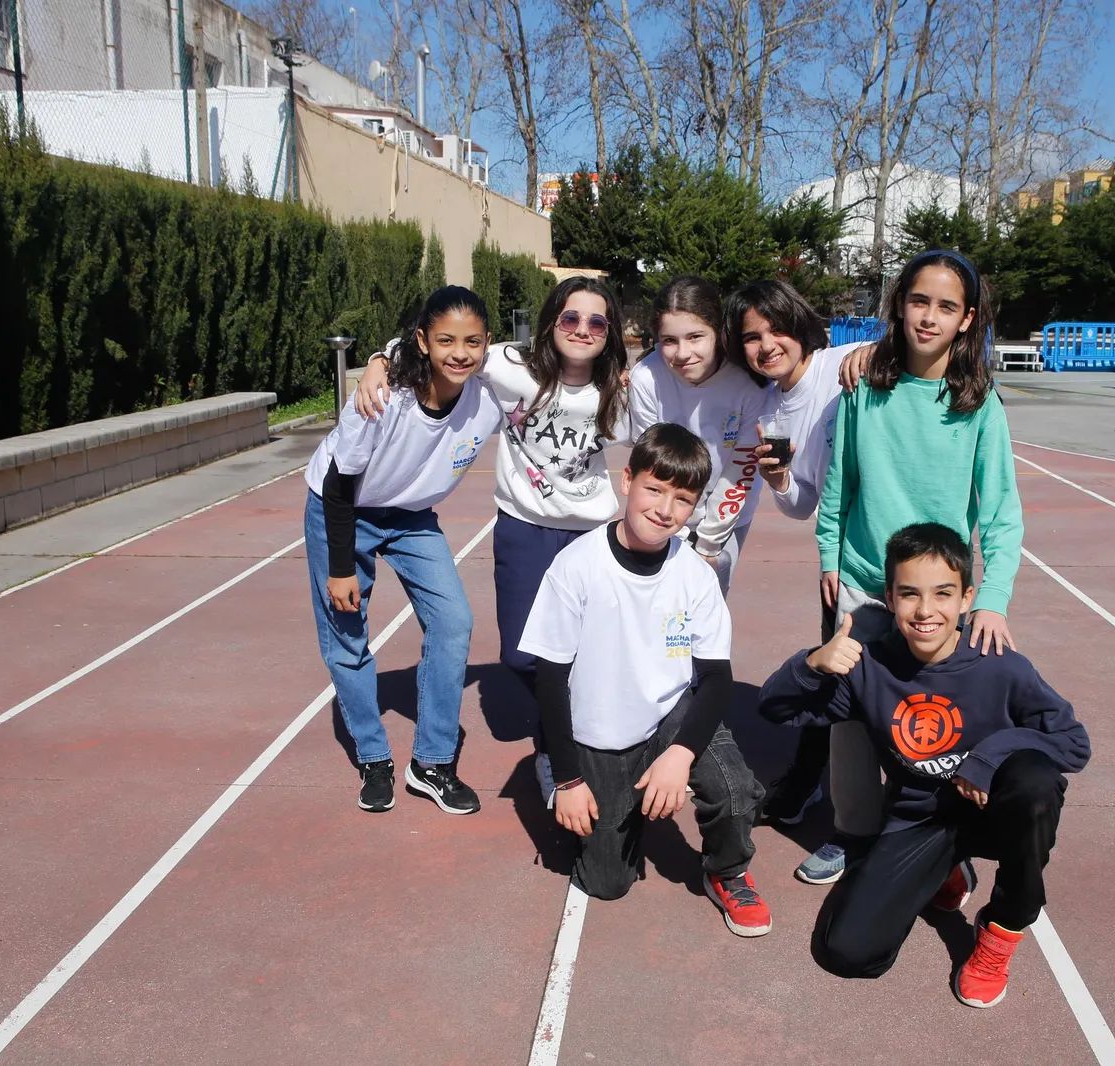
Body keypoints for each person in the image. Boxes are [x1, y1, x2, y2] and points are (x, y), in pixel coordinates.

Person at [759, 522, 1090, 1007]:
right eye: (910, 594)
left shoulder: (1001, 665)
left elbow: (1072, 743)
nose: (926, 610)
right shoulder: (869, 668)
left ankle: (1002, 930)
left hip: (996, 811)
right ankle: (946, 870)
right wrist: (812, 663)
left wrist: (986, 759)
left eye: (942, 594)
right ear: (890, 599)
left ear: (966, 598)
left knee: (1037, 785)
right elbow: (775, 709)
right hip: (922, 818)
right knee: (847, 953)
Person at [355, 278, 631, 805]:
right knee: (521, 654)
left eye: (597, 322)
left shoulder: (620, 387)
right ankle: (571, 728)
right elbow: (431, 340)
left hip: (591, 533)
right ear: (552, 321)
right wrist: (376, 360)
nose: (582, 330)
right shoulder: (510, 364)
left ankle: (558, 752)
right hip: (524, 526)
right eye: (570, 318)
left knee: (589, 653)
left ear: (609, 332)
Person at [799, 248, 1024, 887]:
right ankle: (852, 833)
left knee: (939, 718)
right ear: (899, 305)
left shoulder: (980, 404)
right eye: (918, 301)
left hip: (941, 597)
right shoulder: (863, 391)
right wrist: (829, 557)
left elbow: (1002, 514)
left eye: (946, 307)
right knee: (851, 716)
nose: (929, 317)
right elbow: (841, 486)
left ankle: (938, 838)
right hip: (866, 583)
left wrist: (993, 598)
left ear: (968, 319)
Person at [518, 423, 773, 936]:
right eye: (654, 489)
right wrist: (569, 780)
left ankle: (726, 871)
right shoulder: (576, 566)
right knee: (606, 883)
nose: (664, 509)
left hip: (670, 711)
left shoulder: (695, 573)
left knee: (733, 786)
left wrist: (679, 756)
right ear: (626, 480)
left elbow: (717, 680)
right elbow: (549, 679)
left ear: (695, 506)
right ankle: (578, 789)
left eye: (682, 499)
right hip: (603, 728)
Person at [304, 286, 502, 815]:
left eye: (472, 342)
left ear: (487, 345)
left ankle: (431, 763)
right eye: (445, 340)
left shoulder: (488, 397)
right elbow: (339, 482)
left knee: (454, 622)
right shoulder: (384, 396)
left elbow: (554, 365)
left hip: (411, 517)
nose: (459, 353)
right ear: (422, 341)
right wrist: (341, 567)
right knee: (348, 635)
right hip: (344, 508)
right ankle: (373, 757)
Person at [722, 278, 863, 825]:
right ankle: (816, 790)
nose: (767, 344)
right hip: (843, 555)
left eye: (777, 328)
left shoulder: (842, 361)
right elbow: (802, 506)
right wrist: (778, 477)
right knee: (841, 677)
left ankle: (824, 791)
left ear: (799, 325)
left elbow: (902, 349)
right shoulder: (772, 412)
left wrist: (878, 350)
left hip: (900, 545)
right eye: (752, 337)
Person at [628, 276, 773, 595]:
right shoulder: (646, 378)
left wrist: (707, 546)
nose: (682, 353)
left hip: (726, 515)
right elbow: (649, 463)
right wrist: (667, 534)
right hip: (663, 513)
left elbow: (742, 470)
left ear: (718, 332)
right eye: (669, 340)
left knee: (706, 607)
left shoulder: (749, 383)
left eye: (695, 337)